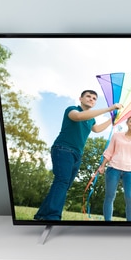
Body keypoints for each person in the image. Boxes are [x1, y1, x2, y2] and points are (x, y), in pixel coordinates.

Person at [33, 90, 122, 221]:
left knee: (64, 185)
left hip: (77, 155)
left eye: (94, 98)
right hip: (63, 149)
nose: (91, 99)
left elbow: (97, 129)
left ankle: (42, 215)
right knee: (62, 182)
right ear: (80, 98)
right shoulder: (72, 109)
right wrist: (109, 108)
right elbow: (79, 117)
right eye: (88, 97)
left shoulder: (91, 119)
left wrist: (112, 119)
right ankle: (52, 216)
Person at [96, 114, 131, 221]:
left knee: (130, 198)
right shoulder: (116, 135)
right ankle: (108, 222)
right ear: (127, 123)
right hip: (114, 168)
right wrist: (102, 166)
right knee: (109, 196)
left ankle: (129, 224)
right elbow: (109, 152)